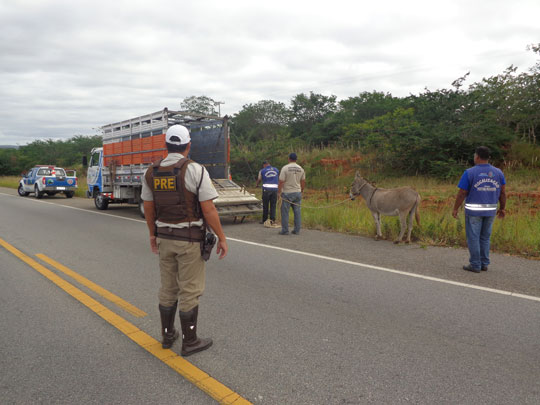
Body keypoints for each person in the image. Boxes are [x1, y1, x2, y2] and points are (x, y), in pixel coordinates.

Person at [141, 124, 228, 356]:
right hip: (189, 240)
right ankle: (190, 341)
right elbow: (208, 209)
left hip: (164, 239)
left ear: (166, 145)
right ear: (188, 145)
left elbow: (148, 208)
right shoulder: (195, 170)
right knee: (190, 290)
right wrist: (221, 237)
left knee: (168, 288)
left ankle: (168, 335)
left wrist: (152, 234)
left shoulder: (151, 172)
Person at [452, 146, 506, 273]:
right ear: (488, 158)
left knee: (473, 237)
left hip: (474, 212)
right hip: (491, 211)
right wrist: (502, 208)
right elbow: (503, 193)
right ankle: (484, 263)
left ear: (477, 157)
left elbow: (462, 193)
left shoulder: (469, 172)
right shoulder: (498, 173)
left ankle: (475, 264)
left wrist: (455, 208)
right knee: (485, 238)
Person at [278, 152, 305, 235]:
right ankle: (297, 230)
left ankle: (285, 230)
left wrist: (279, 192)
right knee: (297, 212)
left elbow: (281, 181)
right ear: (296, 159)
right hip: (297, 192)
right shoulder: (301, 168)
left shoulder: (285, 168)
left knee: (285, 212)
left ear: (289, 159)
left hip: (287, 193)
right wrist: (301, 190)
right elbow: (303, 181)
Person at [255, 160, 279, 226]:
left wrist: (257, 184)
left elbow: (259, 179)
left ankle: (264, 220)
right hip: (275, 190)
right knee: (273, 205)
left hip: (266, 190)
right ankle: (272, 220)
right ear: (269, 164)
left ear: (264, 165)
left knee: (265, 205)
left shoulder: (262, 171)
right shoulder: (276, 169)